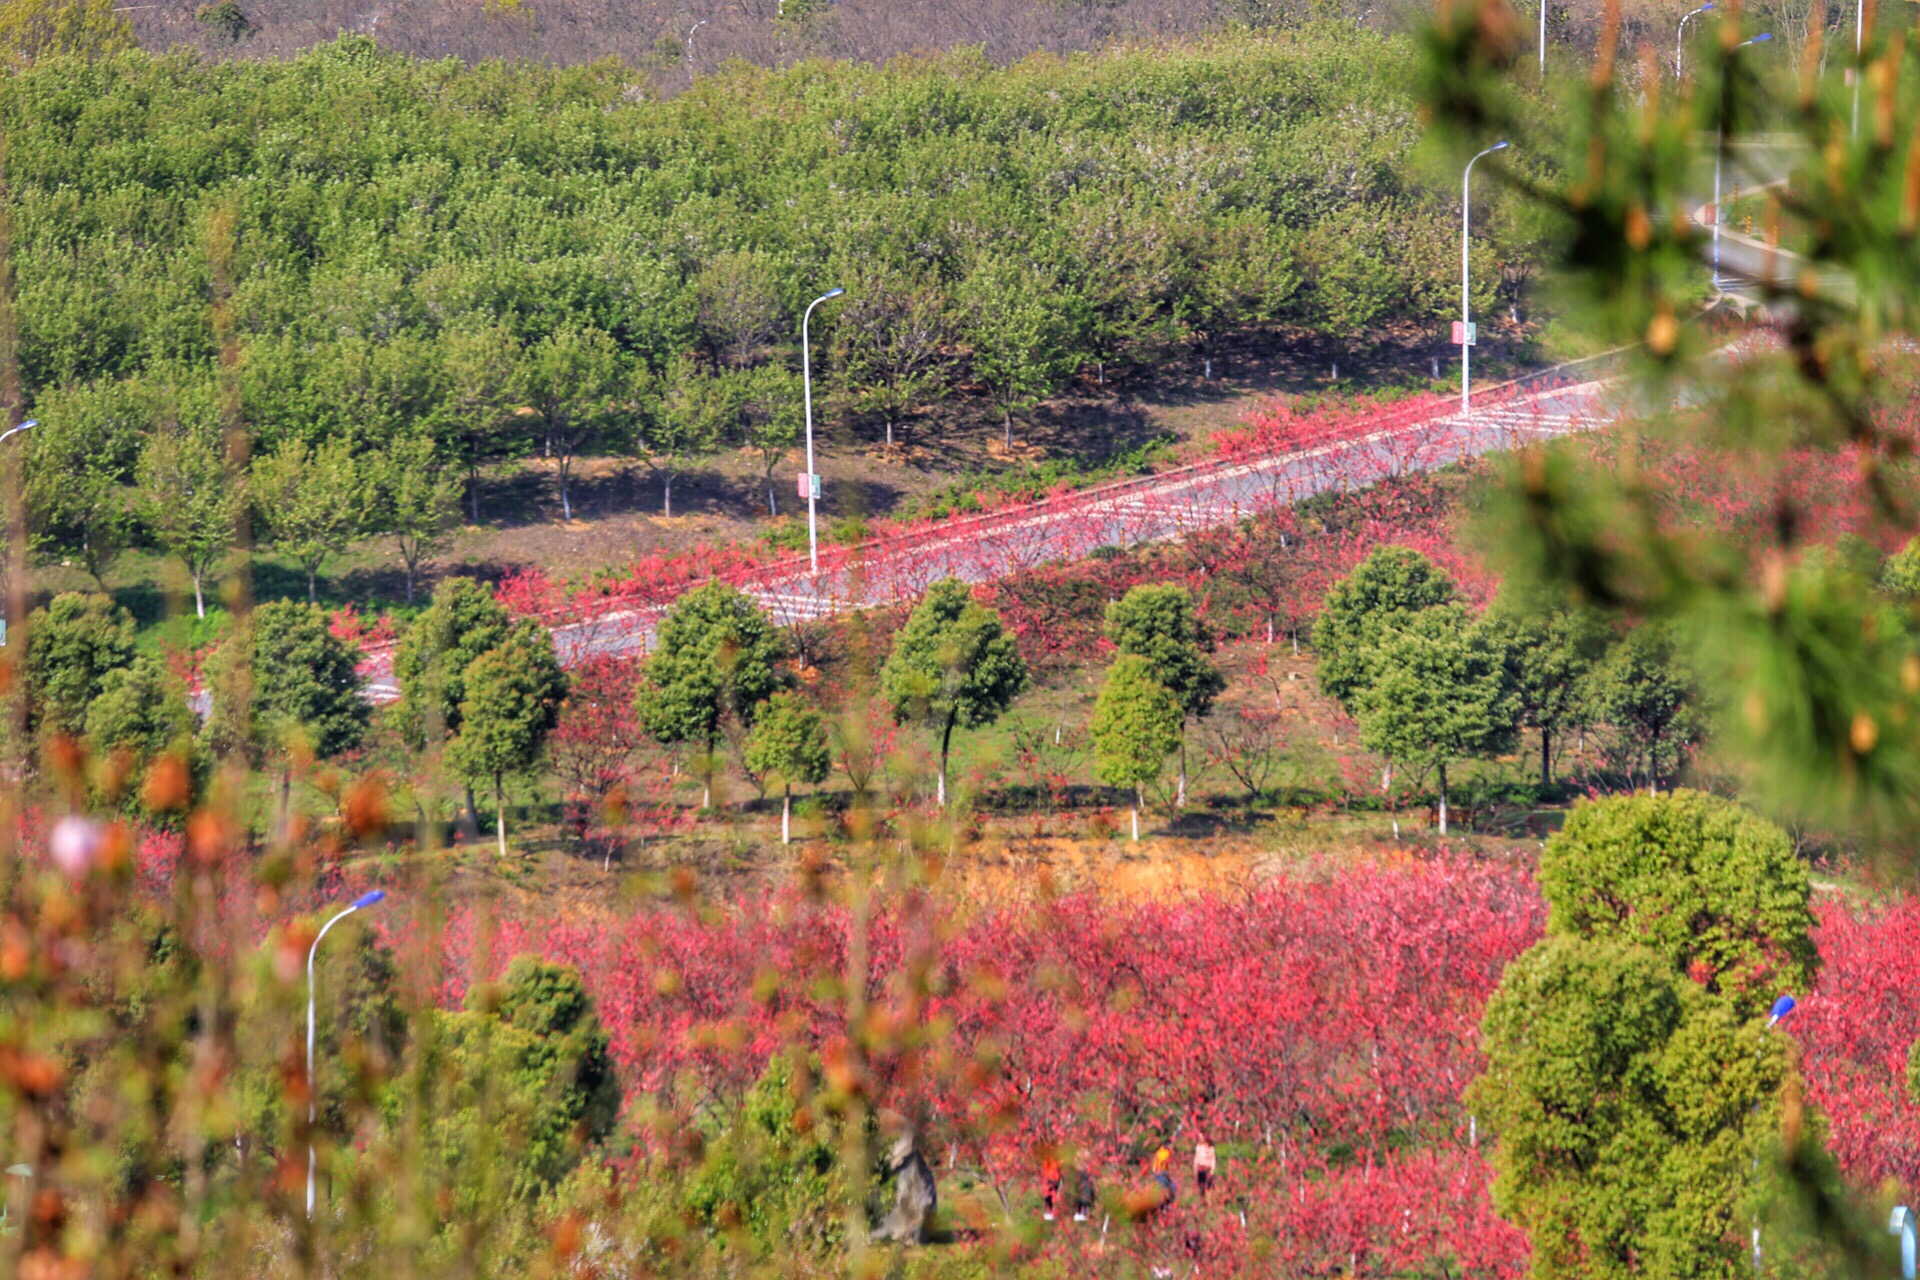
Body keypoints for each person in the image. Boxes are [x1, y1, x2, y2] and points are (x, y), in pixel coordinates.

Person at [1040, 1152, 1063, 1221]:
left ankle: (1049, 1212)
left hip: (1053, 1178)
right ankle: (1049, 1212)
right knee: (1049, 1196)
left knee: (1051, 1196)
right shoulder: (1048, 1158)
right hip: (1051, 1178)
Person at [1193, 1134, 1216, 1200]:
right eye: (1199, 1137)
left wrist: (1212, 1169)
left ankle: (1208, 1199)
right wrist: (1195, 1167)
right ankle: (1202, 1199)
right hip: (1200, 1168)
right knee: (1201, 1185)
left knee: (1208, 1185)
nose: (1200, 1139)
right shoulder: (1198, 1147)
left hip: (1207, 1168)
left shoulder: (1210, 1148)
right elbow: (1196, 1157)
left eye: (1202, 1137)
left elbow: (1213, 1159)